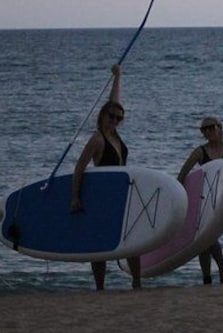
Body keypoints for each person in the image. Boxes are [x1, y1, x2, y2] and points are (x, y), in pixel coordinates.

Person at [71, 64, 141, 290]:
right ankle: (100, 286)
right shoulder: (97, 139)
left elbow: (114, 102)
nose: (115, 120)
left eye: (119, 118)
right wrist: (75, 197)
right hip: (102, 195)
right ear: (103, 116)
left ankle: (137, 282)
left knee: (131, 240)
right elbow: (80, 167)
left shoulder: (115, 135)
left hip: (120, 193)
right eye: (111, 116)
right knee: (100, 241)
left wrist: (118, 77)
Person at [177, 74, 223, 285]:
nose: (209, 131)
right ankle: (216, 275)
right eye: (204, 129)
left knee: (208, 239)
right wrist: (181, 200)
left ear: (219, 127)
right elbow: (182, 175)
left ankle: (215, 275)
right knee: (206, 239)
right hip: (204, 200)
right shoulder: (200, 152)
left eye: (212, 126)